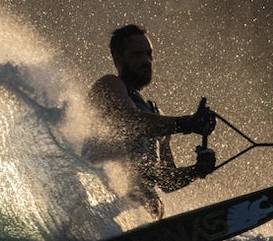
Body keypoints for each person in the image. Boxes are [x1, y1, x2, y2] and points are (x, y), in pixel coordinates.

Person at [82, 24, 217, 219]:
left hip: (138, 220)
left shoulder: (155, 113)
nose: (146, 61)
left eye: (149, 54)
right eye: (138, 55)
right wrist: (188, 123)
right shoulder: (109, 85)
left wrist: (197, 170)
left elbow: (166, 181)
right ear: (118, 58)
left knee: (154, 203)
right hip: (99, 207)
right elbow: (131, 123)